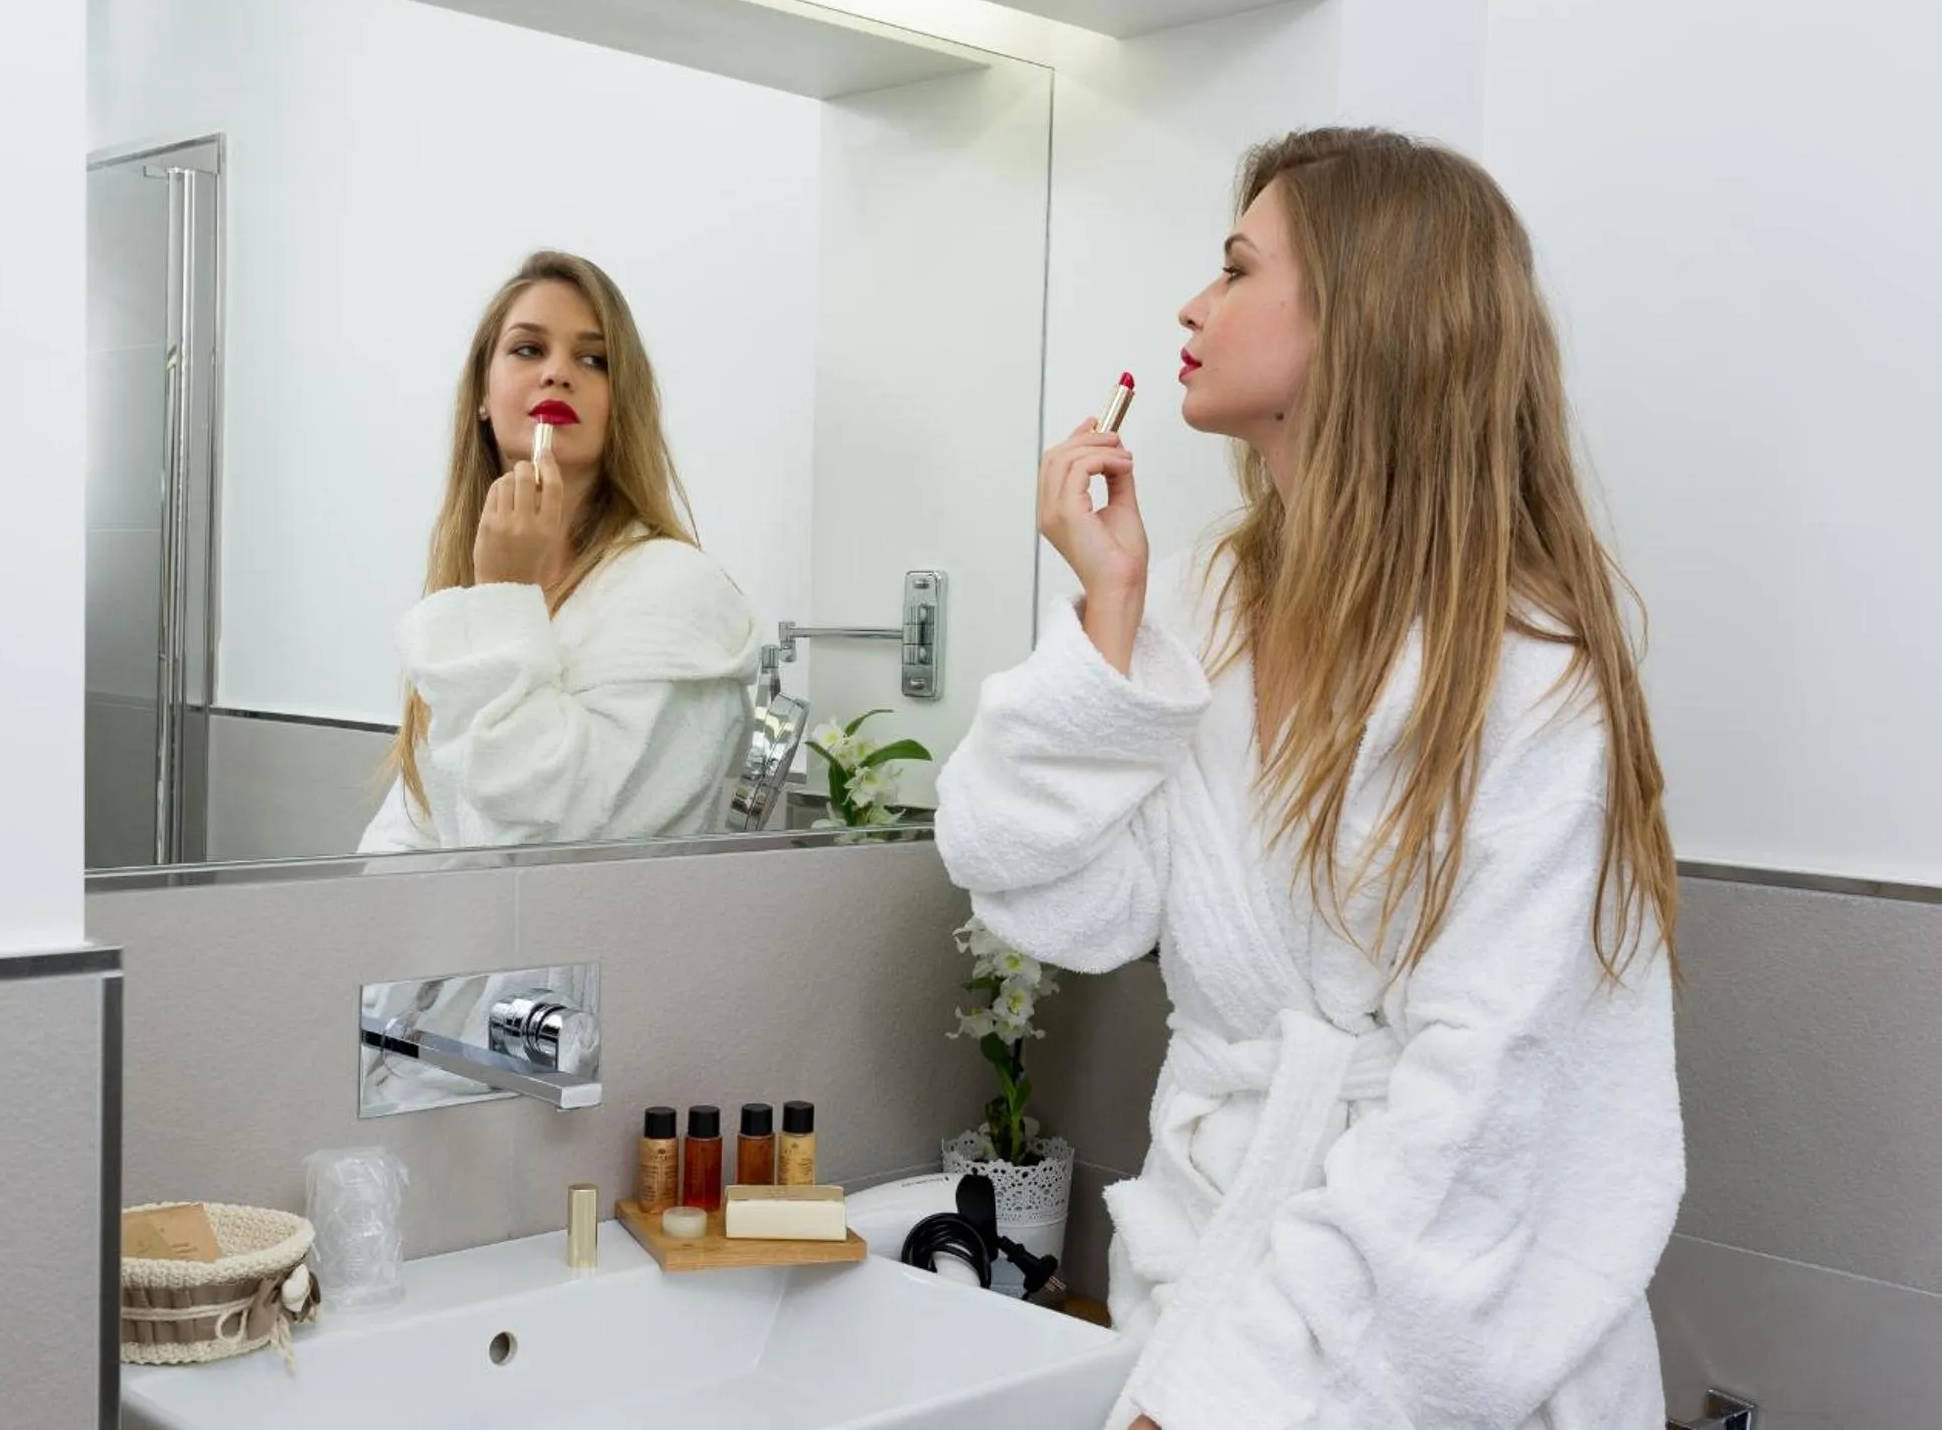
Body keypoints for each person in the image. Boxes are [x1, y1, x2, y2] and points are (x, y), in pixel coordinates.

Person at [934, 128, 1683, 1430]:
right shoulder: (1203, 610)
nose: (1192, 304)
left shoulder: (1529, 673)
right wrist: (1108, 616)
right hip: (1209, 1278)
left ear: (1365, 318)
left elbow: (1488, 1119)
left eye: (1233, 270)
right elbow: (1038, 897)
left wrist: (1230, 1400)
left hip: (1421, 1343)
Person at [359, 250, 760, 853]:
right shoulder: (459, 594)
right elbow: (407, 836)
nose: (557, 373)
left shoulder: (677, 595)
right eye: (527, 349)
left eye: (593, 359)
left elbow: (547, 838)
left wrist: (504, 598)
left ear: (619, 404)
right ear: (483, 395)